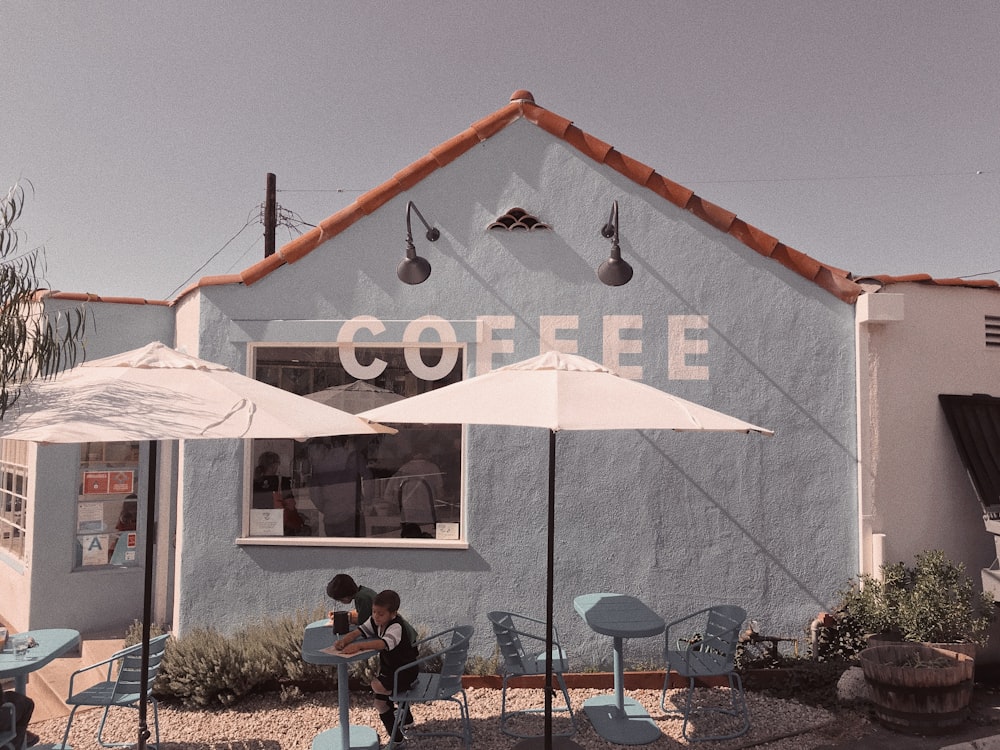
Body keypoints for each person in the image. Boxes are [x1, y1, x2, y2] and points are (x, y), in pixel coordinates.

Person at [333, 590, 418, 745]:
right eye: (374, 612)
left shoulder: (396, 626)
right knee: (379, 703)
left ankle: (397, 739)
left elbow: (383, 643)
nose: (376, 617)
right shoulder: (375, 621)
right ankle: (403, 726)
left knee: (376, 686)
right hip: (391, 671)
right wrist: (345, 641)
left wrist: (359, 647)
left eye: (380, 614)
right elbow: (360, 631)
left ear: (393, 614)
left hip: (405, 672)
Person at [382, 451, 445, 536]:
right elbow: (440, 494)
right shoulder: (433, 468)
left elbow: (388, 495)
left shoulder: (403, 469)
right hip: (428, 515)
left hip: (408, 515)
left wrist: (400, 505)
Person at [252, 451, 308, 536]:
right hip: (280, 526)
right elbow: (290, 504)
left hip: (259, 525)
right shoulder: (282, 481)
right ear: (274, 466)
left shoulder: (254, 483)